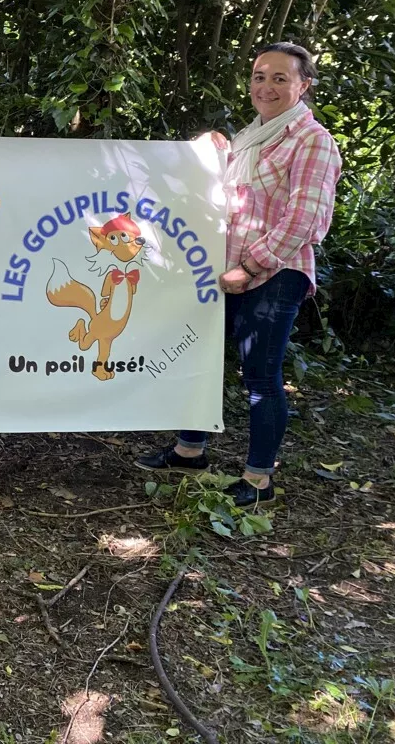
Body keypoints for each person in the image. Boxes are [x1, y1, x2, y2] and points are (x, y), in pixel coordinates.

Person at [137, 42, 342, 506]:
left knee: (261, 377)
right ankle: (190, 451)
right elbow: (221, 194)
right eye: (258, 76)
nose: (265, 86)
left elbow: (305, 220)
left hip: (276, 273)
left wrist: (250, 267)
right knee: (202, 358)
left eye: (279, 78)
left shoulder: (312, 141)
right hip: (227, 270)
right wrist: (211, 149)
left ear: (303, 85)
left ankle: (258, 480)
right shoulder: (252, 138)